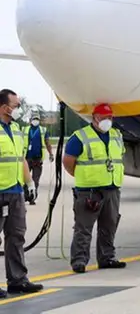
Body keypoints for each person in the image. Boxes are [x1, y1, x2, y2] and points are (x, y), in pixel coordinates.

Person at [62, 103, 127, 273]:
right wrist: (84, 177)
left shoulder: (116, 135)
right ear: (94, 118)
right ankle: (79, 261)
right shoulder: (80, 137)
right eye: (104, 117)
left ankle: (107, 257)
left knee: (109, 226)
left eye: (110, 117)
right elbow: (68, 162)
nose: (107, 120)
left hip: (112, 188)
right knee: (83, 227)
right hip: (89, 191)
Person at [0, 89, 44, 297]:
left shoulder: (16, 129)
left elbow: (20, 159)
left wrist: (29, 184)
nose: (20, 109)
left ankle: (17, 280)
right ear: (4, 107)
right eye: (17, 105)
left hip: (15, 191)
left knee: (16, 236)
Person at [22, 111, 54, 204]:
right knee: (25, 179)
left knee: (35, 180)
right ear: (30, 120)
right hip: (27, 158)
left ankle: (32, 198)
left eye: (37, 119)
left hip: (38, 159)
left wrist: (51, 154)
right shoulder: (25, 130)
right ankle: (25, 196)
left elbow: (47, 143)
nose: (35, 121)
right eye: (34, 119)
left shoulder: (43, 130)